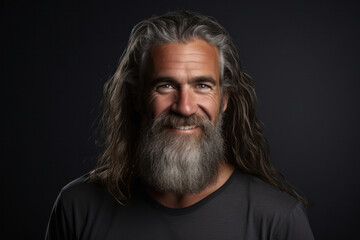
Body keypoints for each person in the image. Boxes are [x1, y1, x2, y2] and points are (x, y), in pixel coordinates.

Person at [46, 11, 314, 239]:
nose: (184, 107)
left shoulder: (278, 220)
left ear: (224, 101)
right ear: (137, 99)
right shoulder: (78, 207)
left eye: (202, 86)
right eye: (165, 85)